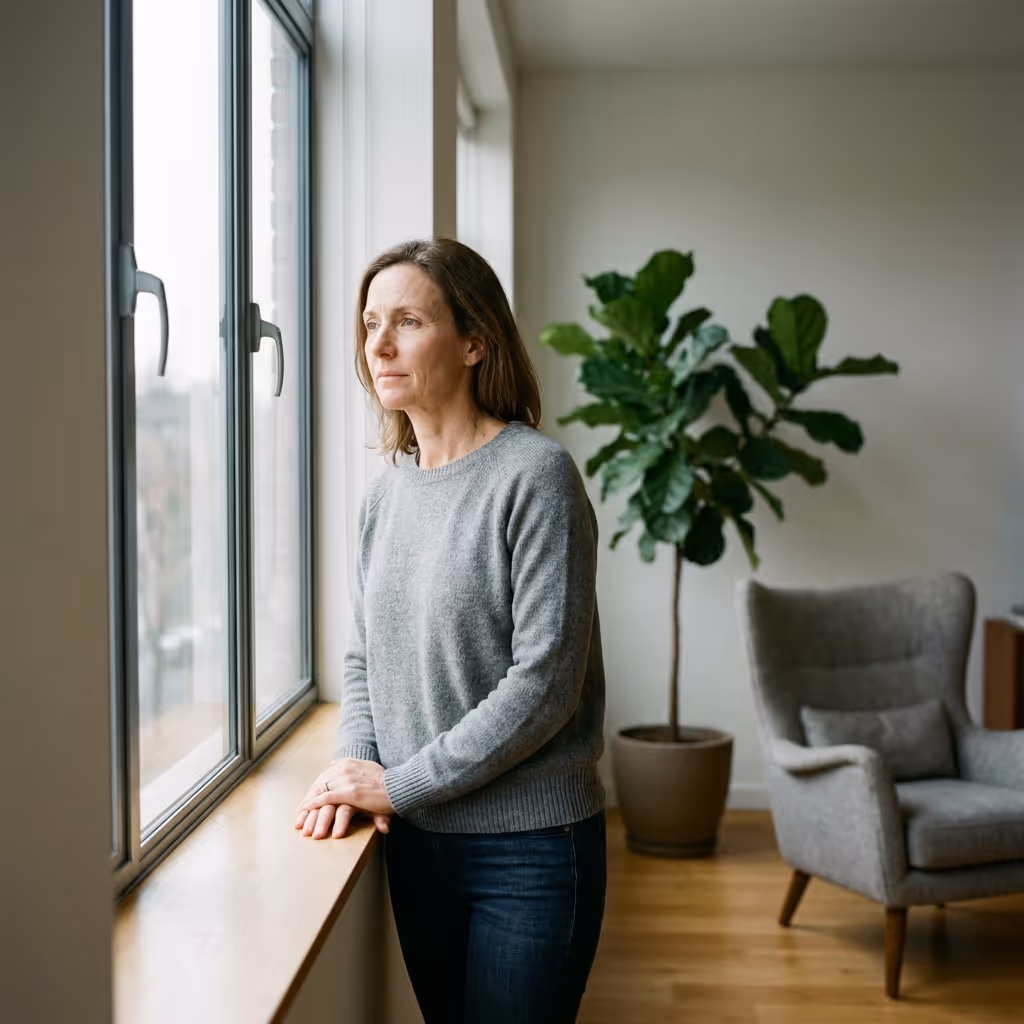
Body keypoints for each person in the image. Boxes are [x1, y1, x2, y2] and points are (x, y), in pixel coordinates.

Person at [294, 238, 607, 1023]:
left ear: (474, 342)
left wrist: (394, 785)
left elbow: (545, 685)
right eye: (370, 323)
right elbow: (365, 657)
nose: (380, 345)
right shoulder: (385, 494)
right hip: (419, 844)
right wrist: (354, 766)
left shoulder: (536, 476)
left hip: (530, 849)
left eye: (407, 320)